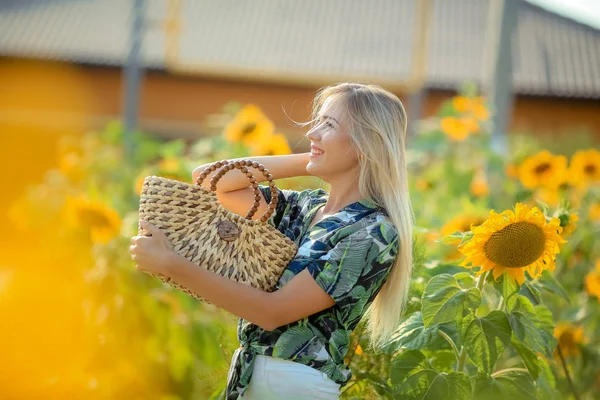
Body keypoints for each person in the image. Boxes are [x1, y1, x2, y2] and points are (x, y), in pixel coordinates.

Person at [187, 82, 414, 399]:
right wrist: (313, 157)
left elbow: (272, 313)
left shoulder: (372, 231)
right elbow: (209, 180)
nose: (312, 133)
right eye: (318, 122)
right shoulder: (302, 208)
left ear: (366, 144)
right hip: (253, 377)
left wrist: (171, 265)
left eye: (329, 125)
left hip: (297, 386)